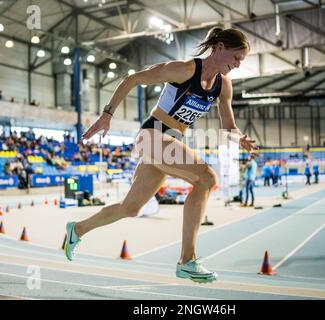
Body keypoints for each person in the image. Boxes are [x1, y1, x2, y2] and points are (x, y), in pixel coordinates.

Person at [64, 27, 256, 283]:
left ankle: (77, 229)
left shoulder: (223, 86)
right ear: (220, 47)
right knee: (207, 179)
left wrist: (239, 137)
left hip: (170, 142)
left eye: (241, 61)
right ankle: (187, 260)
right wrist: (107, 114)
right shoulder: (185, 69)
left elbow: (228, 127)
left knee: (130, 208)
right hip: (153, 135)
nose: (238, 65)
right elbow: (132, 79)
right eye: (236, 58)